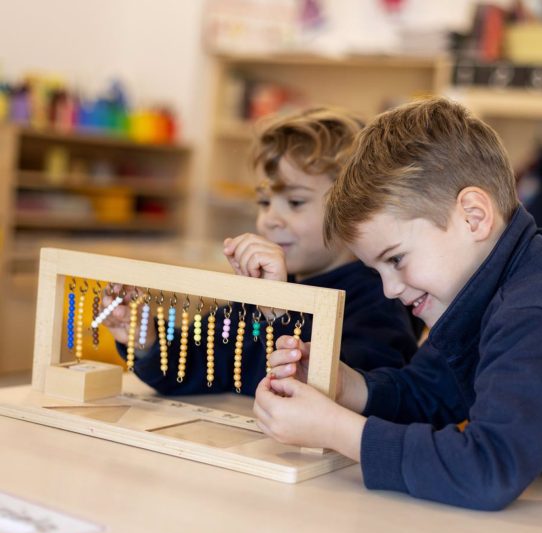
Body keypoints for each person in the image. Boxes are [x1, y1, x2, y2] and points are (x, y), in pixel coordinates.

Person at [255, 97, 542, 510]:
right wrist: (347, 387)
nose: (390, 288)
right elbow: (433, 394)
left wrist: (335, 429)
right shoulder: (487, 287)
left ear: (473, 216)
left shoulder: (541, 309)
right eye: (378, 271)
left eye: (396, 260)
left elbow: (488, 470)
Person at [104, 107, 419, 396]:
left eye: (295, 202)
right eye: (265, 202)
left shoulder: (380, 298)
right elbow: (198, 366)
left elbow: (366, 392)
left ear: (354, 209)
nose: (271, 219)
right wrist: (144, 338)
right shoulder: (263, 289)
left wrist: (279, 310)